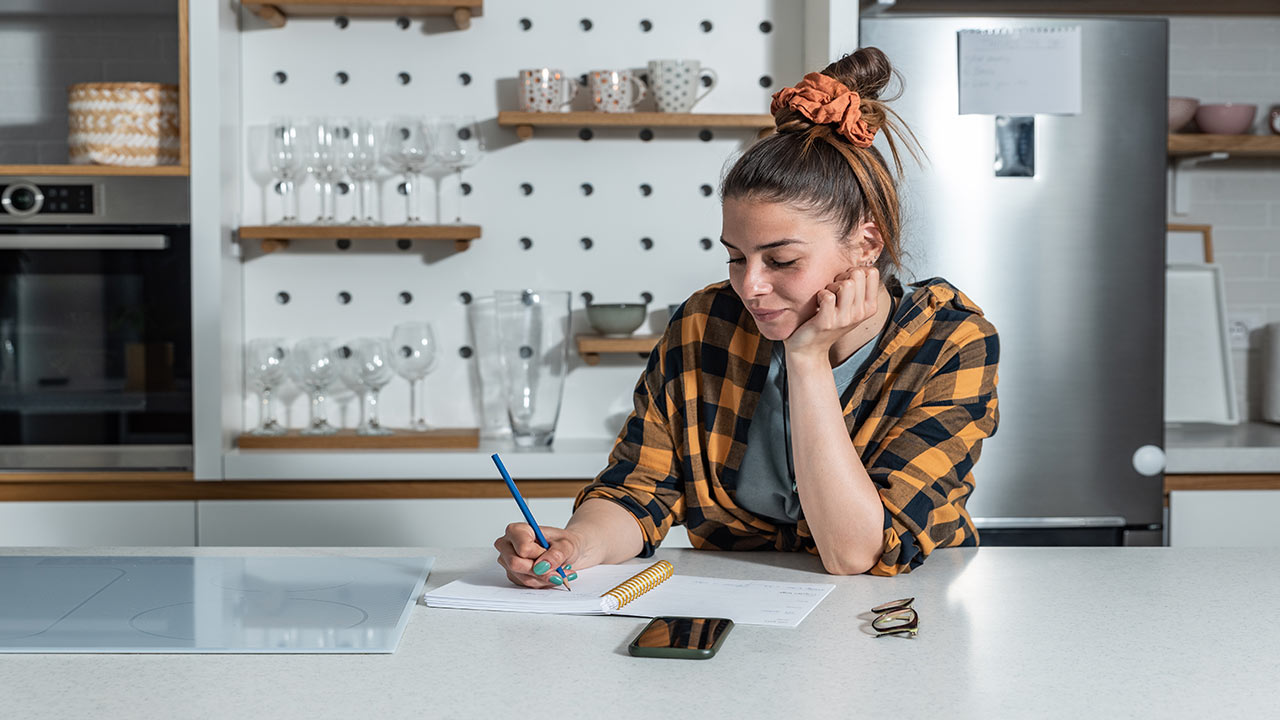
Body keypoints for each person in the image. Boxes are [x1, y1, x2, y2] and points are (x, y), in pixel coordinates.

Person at [495, 47, 1000, 582]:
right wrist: (578, 542)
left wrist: (806, 359)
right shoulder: (704, 324)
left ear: (866, 243)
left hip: (899, 617)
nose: (750, 286)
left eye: (782, 260)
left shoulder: (952, 342)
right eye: (736, 257)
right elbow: (638, 491)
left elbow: (856, 554)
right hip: (737, 612)